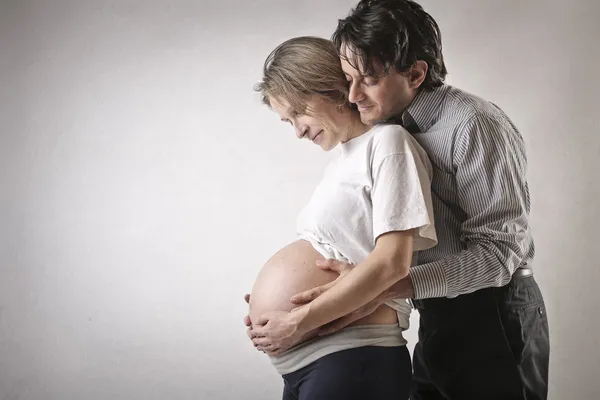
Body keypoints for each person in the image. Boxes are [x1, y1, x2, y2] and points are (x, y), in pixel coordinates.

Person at [246, 1, 550, 399]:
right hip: (438, 307)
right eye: (348, 78)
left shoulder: (473, 124)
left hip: (493, 310)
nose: (352, 95)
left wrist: (387, 286)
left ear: (416, 73)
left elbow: (500, 253)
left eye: (367, 80)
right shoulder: (385, 128)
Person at [245, 36, 438, 399]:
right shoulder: (342, 161)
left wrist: (296, 318)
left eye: (299, 112)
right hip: (319, 360)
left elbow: (391, 263)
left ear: (330, 88)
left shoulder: (388, 143)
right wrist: (269, 306)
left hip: (354, 356)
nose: (299, 130)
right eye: (288, 122)